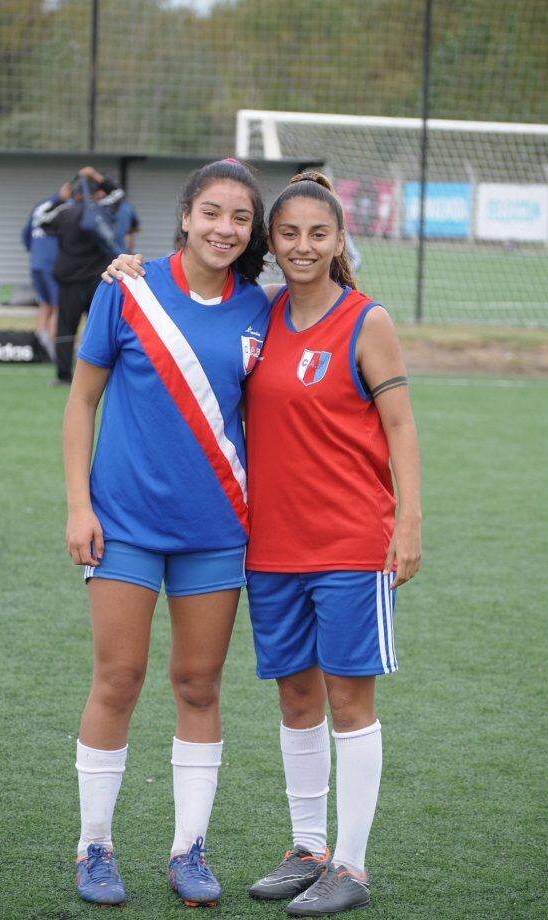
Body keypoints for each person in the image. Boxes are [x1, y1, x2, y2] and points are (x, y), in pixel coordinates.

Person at [108, 171, 421, 916]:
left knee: (349, 698)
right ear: (270, 246)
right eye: (289, 234)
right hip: (270, 546)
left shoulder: (365, 320)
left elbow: (402, 425)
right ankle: (307, 847)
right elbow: (189, 297)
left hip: (350, 543)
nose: (304, 245)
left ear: (341, 241)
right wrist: (130, 265)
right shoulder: (264, 314)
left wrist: (408, 522)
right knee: (297, 696)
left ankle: (351, 864)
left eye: (319, 233)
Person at [63, 159, 270, 908]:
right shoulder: (125, 288)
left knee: (198, 684)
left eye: (240, 218)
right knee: (117, 680)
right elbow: (82, 403)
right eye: (212, 212)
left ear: (251, 232)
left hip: (217, 530)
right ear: (185, 216)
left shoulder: (259, 311)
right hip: (122, 524)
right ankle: (95, 847)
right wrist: (78, 506)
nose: (224, 228)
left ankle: (188, 851)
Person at [38, 166, 125, 385]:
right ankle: (101, 375)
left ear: (73, 194)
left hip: (68, 281)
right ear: (97, 193)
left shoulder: (63, 213)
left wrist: (59, 198)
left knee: (66, 328)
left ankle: (63, 375)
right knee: (99, 327)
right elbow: (118, 194)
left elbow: (41, 220)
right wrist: (97, 177)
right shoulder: (101, 210)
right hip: (98, 280)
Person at [21, 184, 71, 361]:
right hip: (53, 264)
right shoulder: (67, 207)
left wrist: (36, 252)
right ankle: (53, 351)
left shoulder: (41, 205)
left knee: (45, 304)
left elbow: (25, 235)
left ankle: (39, 348)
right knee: (59, 306)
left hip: (36, 262)